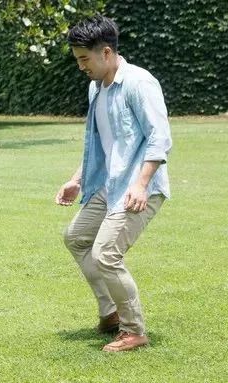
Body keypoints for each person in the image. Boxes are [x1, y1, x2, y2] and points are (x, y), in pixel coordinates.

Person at [56, 15, 172, 352]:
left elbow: (159, 138)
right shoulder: (97, 87)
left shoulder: (139, 83)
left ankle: (134, 330)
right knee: (77, 238)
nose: (81, 67)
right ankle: (111, 313)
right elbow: (102, 143)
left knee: (106, 253)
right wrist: (77, 180)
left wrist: (141, 184)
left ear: (106, 52)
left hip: (139, 187)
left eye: (84, 59)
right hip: (109, 183)